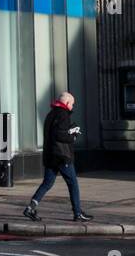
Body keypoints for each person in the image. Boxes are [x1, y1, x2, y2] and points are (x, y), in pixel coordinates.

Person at [23, 92, 93, 222]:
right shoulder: (63, 115)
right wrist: (73, 136)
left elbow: (55, 133)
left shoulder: (51, 114)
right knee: (73, 184)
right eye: (72, 104)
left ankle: (30, 208)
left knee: (47, 183)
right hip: (61, 156)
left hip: (50, 156)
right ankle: (77, 213)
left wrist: (70, 130)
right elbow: (59, 135)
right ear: (66, 103)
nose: (73, 106)